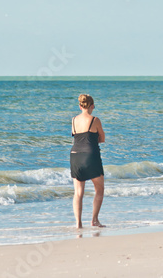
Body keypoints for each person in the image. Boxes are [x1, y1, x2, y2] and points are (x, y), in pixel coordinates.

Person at [70, 94, 105, 228]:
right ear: (92, 106)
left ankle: (78, 223)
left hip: (75, 155)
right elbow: (102, 138)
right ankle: (94, 220)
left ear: (80, 106)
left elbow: (76, 136)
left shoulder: (73, 120)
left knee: (78, 192)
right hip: (90, 155)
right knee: (99, 190)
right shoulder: (95, 120)